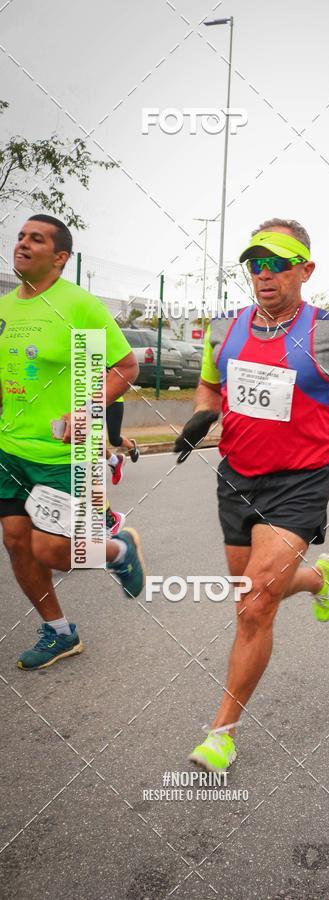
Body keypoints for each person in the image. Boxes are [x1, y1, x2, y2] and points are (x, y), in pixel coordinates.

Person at [174, 219, 329, 772]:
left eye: (277, 263)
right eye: (255, 264)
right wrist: (203, 412)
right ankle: (318, 577)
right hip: (237, 477)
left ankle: (221, 732)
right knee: (248, 589)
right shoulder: (224, 330)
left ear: (305, 270)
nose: (263, 274)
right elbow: (210, 383)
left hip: (299, 481)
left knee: (254, 606)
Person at [0, 215, 147, 670]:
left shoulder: (78, 305)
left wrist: (85, 408)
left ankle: (119, 549)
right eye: (21, 236)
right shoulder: (7, 307)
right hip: (10, 450)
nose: (23, 244)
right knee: (16, 542)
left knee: (51, 550)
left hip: (65, 453)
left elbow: (125, 367)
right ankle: (59, 632)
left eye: (36, 239)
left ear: (60, 258)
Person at [106, 395, 139, 485]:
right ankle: (114, 460)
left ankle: (131, 446)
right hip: (92, 401)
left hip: (113, 401)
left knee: (114, 440)